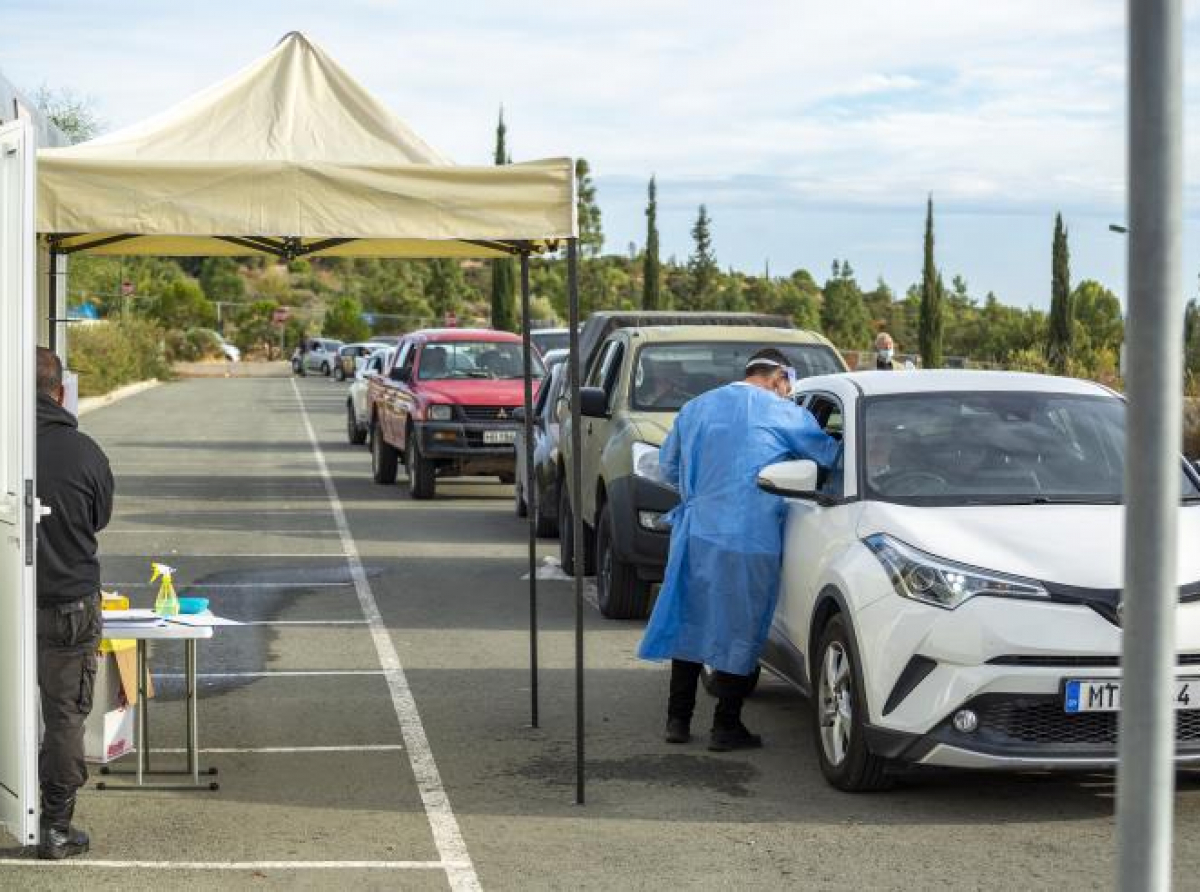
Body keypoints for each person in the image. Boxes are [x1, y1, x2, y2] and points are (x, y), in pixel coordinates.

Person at [638, 348, 840, 751]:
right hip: (748, 534)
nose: (788, 393)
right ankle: (725, 725)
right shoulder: (783, 413)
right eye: (788, 386)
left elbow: (669, 466)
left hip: (695, 532)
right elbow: (829, 459)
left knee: (690, 621)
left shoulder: (696, 407)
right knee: (740, 628)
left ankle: (677, 720)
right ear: (779, 376)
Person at [35, 347, 114, 860]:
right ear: (61, 391)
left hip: (12, 602)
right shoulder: (84, 452)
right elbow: (98, 518)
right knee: (64, 714)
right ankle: (57, 828)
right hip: (68, 603)